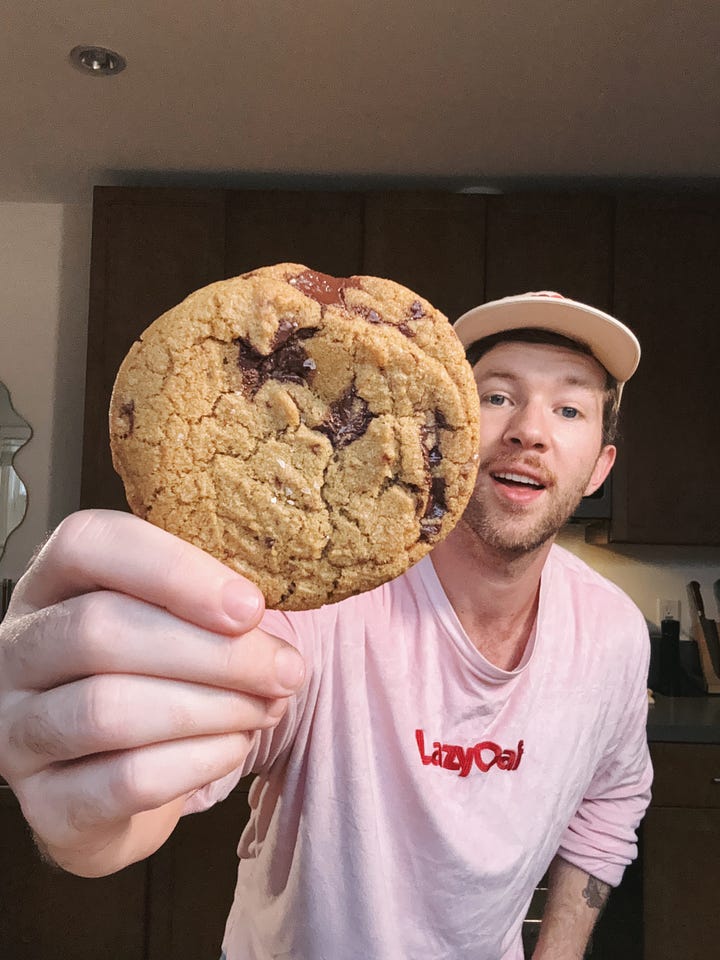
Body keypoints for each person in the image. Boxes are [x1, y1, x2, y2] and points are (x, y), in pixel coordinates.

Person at [0, 291, 652, 960]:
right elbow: (146, 800)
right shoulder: (319, 601)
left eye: (569, 408)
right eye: (496, 397)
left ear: (599, 467)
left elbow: (612, 802)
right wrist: (81, 809)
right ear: (438, 430)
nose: (529, 431)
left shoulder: (614, 635)